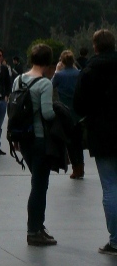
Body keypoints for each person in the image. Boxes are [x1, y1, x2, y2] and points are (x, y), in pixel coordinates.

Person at [73, 29, 117, 256]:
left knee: (110, 186)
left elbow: (78, 105)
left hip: (102, 133)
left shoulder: (89, 70)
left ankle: (116, 240)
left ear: (96, 46)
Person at [13, 44, 57, 246]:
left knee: (37, 182)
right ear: (48, 62)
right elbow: (47, 113)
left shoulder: (18, 79)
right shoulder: (45, 84)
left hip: (23, 138)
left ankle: (38, 226)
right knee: (39, 186)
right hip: (40, 138)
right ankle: (34, 230)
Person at [52, 50, 84, 179]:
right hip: (79, 110)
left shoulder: (60, 75)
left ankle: (75, 167)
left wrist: (56, 71)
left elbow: (50, 85)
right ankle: (81, 166)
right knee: (79, 141)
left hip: (65, 111)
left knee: (69, 141)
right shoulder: (79, 74)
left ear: (62, 62)